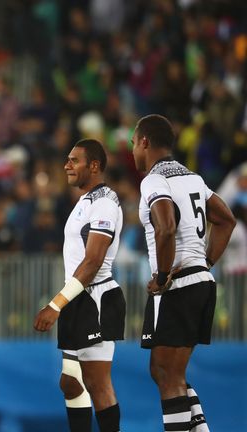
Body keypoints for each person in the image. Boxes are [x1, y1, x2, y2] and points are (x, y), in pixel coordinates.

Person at [131, 114, 236, 432]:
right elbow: (226, 220)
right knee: (164, 372)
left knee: (167, 375)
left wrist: (162, 276)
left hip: (176, 286)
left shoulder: (153, 181)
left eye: (134, 143)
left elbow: (166, 227)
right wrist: (205, 263)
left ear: (145, 142)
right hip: (199, 281)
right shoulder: (194, 178)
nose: (134, 150)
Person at [33, 139, 125, 432]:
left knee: (97, 384)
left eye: (74, 160)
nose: (66, 166)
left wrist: (55, 304)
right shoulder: (86, 200)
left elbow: (94, 260)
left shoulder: (105, 203)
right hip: (78, 298)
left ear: (94, 165)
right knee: (71, 383)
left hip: (94, 298)